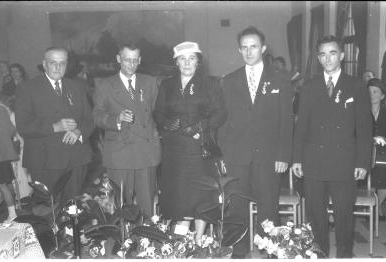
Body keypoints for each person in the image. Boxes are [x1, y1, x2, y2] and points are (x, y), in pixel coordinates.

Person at [291, 35, 373, 258]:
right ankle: (320, 254)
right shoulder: (308, 87)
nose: (328, 58)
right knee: (316, 216)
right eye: (323, 54)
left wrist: (362, 162)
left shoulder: (356, 85)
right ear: (318, 58)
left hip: (345, 164)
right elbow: (301, 127)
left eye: (333, 53)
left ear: (342, 56)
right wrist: (297, 158)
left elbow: (365, 129)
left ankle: (344, 255)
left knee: (344, 216)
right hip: (314, 161)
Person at [218, 26, 293, 258]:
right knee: (237, 208)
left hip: (269, 156)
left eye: (254, 46)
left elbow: (286, 121)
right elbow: (223, 121)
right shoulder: (229, 81)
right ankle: (239, 253)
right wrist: (223, 155)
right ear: (239, 50)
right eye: (244, 47)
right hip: (237, 156)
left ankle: (268, 252)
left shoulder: (280, 79)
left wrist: (283, 155)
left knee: (268, 208)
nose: (249, 51)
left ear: (263, 48)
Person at [153, 41, 226, 245]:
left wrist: (200, 127)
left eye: (191, 58)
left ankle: (200, 240)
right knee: (178, 194)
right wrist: (166, 122)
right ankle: (182, 240)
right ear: (176, 62)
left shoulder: (210, 83)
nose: (187, 63)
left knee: (200, 194)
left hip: (199, 147)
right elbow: (157, 112)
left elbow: (221, 113)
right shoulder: (167, 84)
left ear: (198, 62)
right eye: (182, 59)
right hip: (174, 150)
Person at [15, 47, 94, 206]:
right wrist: (54, 127)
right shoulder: (27, 88)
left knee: (73, 210)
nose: (58, 67)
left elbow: (90, 119)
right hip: (45, 161)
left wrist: (79, 132)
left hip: (76, 159)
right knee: (49, 211)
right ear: (45, 65)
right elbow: (23, 126)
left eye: (62, 63)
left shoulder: (77, 87)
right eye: (53, 63)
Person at [93, 43, 161, 217]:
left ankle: (148, 241)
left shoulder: (150, 82)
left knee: (147, 206)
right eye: (126, 60)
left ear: (140, 60)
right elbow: (97, 116)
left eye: (135, 60)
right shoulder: (104, 85)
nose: (131, 64)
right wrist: (117, 119)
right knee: (121, 207)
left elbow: (158, 112)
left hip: (146, 152)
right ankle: (123, 242)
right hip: (120, 153)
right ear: (118, 59)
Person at [0, 83, 19, 223]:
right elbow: (11, 131)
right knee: (4, 185)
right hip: (2, 155)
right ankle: (12, 213)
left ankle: (11, 214)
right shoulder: (1, 110)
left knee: (2, 186)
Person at [367, 78, 386, 221]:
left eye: (375, 92)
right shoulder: (360, 112)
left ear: (382, 96)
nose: (372, 95)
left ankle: (378, 204)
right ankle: (371, 204)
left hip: (383, 152)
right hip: (365, 151)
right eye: (369, 92)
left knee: (383, 166)